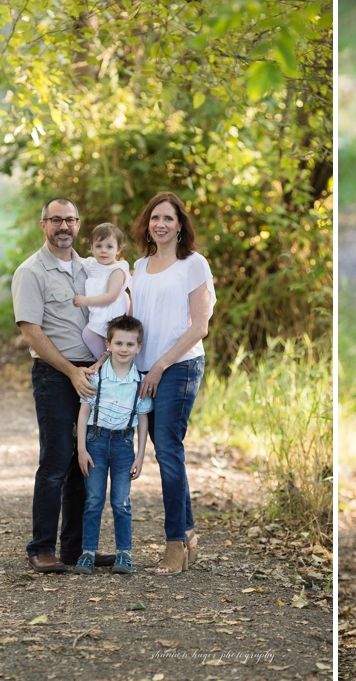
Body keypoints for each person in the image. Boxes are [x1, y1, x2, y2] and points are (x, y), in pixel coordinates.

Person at [12, 197, 115, 573]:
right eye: (56, 220)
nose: (64, 227)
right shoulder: (31, 272)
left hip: (93, 374)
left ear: (78, 224)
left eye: (71, 220)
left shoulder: (91, 269)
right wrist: (71, 370)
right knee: (56, 460)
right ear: (44, 225)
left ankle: (74, 549)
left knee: (85, 462)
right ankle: (41, 548)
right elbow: (31, 332)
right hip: (55, 375)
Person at [129, 191, 215, 575]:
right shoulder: (139, 265)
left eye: (168, 218)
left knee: (166, 447)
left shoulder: (193, 264)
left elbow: (200, 326)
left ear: (181, 224)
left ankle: (174, 545)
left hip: (178, 366)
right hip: (144, 370)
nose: (160, 224)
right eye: (154, 218)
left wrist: (161, 365)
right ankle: (189, 535)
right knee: (166, 450)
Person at [73, 315, 153, 575]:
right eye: (119, 343)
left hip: (124, 445)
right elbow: (84, 412)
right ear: (108, 344)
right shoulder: (97, 376)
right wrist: (81, 448)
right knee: (94, 499)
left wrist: (140, 456)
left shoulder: (140, 382)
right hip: (95, 441)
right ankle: (87, 553)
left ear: (138, 347)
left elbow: (142, 420)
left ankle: (124, 553)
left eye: (130, 344)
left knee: (121, 501)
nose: (124, 349)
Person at [74, 223, 132, 360]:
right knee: (95, 336)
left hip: (111, 313)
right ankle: (106, 362)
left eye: (109, 247)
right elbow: (75, 262)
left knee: (91, 334)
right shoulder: (92, 264)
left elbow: (111, 296)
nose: (103, 251)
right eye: (99, 246)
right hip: (99, 311)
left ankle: (107, 362)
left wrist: (86, 301)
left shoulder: (116, 270)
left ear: (118, 249)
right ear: (91, 248)